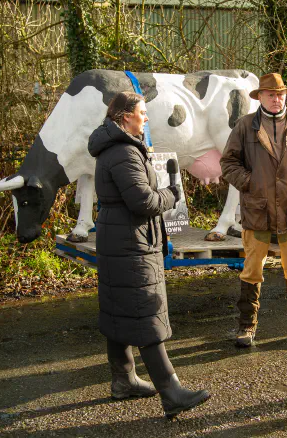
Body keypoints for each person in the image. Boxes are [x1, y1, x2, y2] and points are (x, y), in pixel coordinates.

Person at [87, 91, 210, 418]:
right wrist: (171, 195)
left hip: (119, 237)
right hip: (132, 240)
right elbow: (143, 202)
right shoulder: (125, 153)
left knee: (120, 309)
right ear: (125, 116)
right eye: (142, 112)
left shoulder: (112, 149)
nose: (146, 118)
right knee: (144, 314)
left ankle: (123, 380)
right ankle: (171, 393)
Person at [220, 73, 287, 349]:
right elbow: (228, 162)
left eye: (280, 94)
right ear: (260, 97)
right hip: (257, 210)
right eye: (271, 94)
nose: (277, 99)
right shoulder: (245, 126)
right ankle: (246, 327)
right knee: (251, 271)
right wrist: (249, 183)